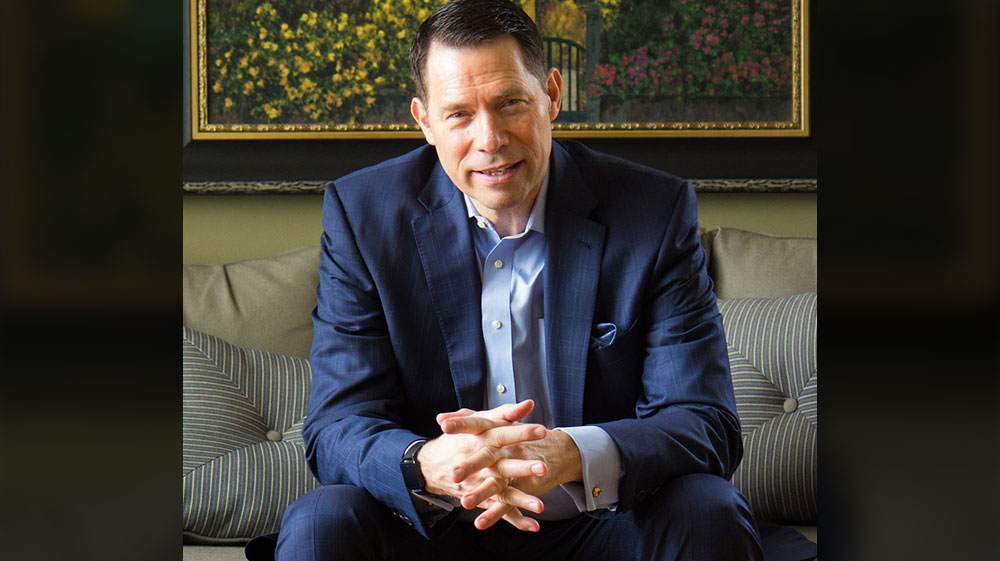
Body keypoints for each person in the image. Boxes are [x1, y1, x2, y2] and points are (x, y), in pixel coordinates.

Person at [269, 1, 764, 559]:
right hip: (434, 532)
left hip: (602, 525)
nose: (491, 139)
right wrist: (423, 463)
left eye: (510, 104)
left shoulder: (653, 212)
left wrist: (570, 453)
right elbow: (337, 425)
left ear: (552, 94)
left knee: (707, 509)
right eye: (459, 114)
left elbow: (704, 422)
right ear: (424, 121)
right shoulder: (364, 216)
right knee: (322, 521)